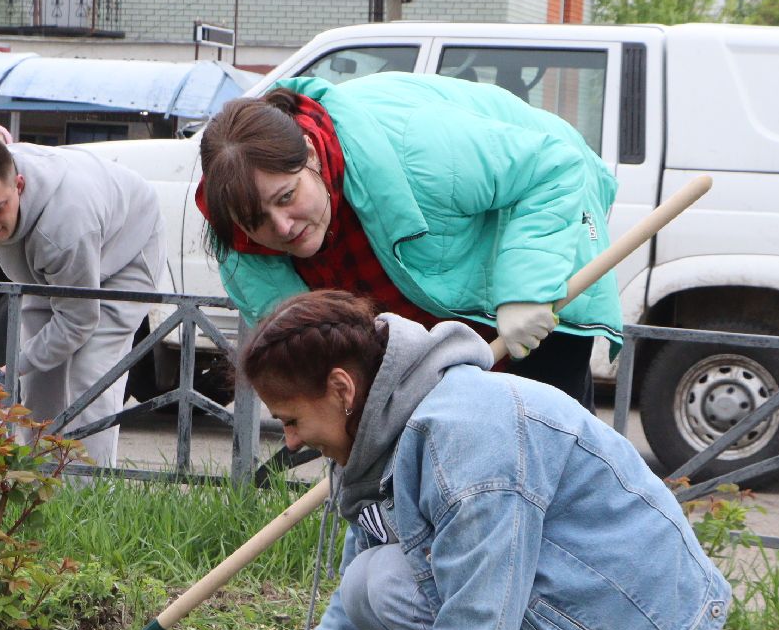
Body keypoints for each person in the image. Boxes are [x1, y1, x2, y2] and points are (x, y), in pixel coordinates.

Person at [191, 290, 729, 630]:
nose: (289, 442)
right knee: (371, 581)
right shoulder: (392, 428)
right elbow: (364, 585)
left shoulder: (465, 440)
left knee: (386, 584)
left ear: (341, 389)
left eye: (290, 420)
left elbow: (480, 624)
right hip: (595, 615)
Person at [196, 73, 623, 406]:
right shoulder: (244, 251)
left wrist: (525, 291)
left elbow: (554, 167)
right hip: (428, 300)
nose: (283, 227)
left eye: (287, 197)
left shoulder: (420, 149)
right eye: (257, 220)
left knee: (548, 443)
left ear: (309, 153)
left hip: (540, 230)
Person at [0, 137, 165, 468]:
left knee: (90, 376)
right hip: (45, 264)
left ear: (19, 186)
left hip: (125, 249)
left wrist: (11, 368)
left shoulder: (66, 228)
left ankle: (89, 499)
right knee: (38, 380)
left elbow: (78, 321)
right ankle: (40, 484)